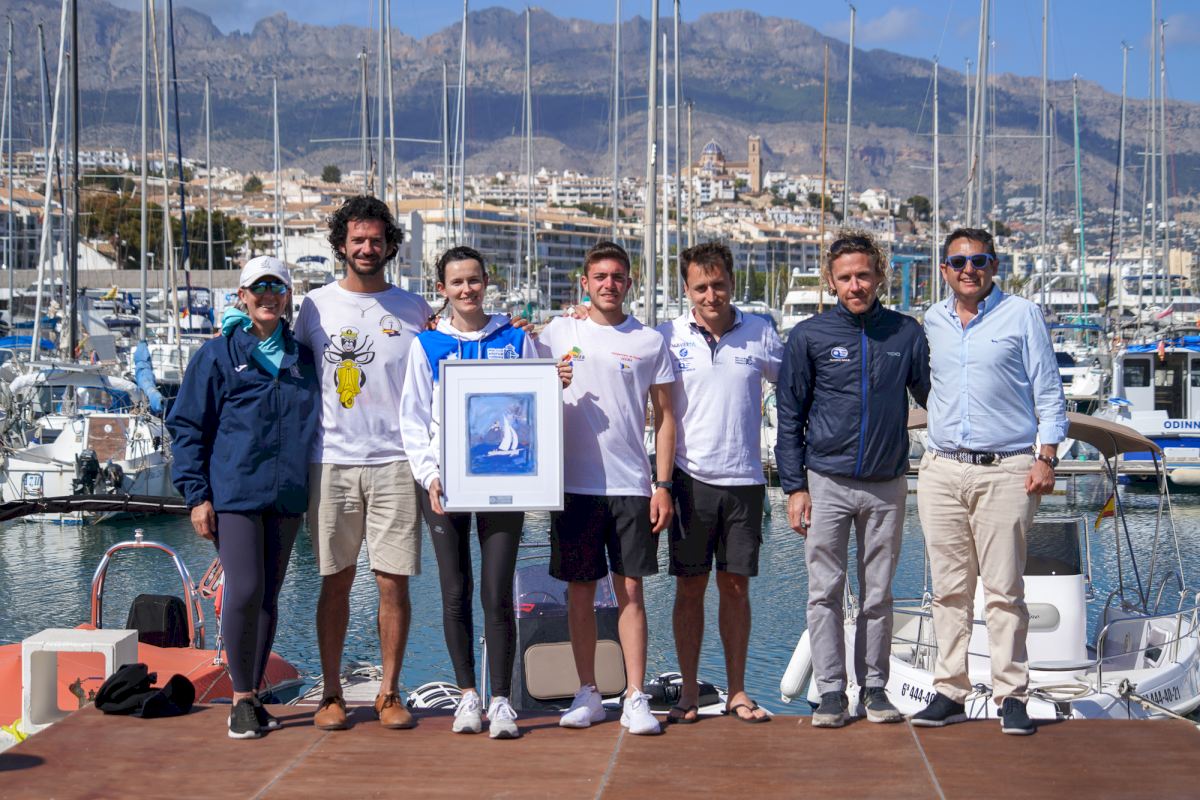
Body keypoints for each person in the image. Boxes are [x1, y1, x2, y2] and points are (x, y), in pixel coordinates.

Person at [400, 246, 571, 740]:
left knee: (496, 593)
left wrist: (555, 382)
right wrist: (429, 475)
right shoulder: (427, 345)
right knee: (454, 591)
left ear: (486, 282)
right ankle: (466, 696)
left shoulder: (515, 337)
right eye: (457, 283)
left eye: (474, 280)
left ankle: (500, 699)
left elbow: (538, 404)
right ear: (442, 289)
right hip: (444, 485)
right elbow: (412, 419)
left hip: (504, 483)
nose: (467, 289)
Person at [911, 227, 1067, 736]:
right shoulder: (933, 320)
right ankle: (949, 691)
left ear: (994, 266)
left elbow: (1049, 392)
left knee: (1003, 590)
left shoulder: (1022, 315)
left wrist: (1046, 457)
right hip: (941, 470)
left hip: (1007, 469)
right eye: (958, 262)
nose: (968, 270)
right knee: (948, 591)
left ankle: (1011, 695)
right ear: (944, 270)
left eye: (978, 261)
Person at [776, 231, 930, 729]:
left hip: (887, 483)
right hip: (826, 480)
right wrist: (795, 487)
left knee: (878, 594)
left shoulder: (905, 334)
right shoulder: (810, 336)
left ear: (879, 276)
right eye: (845, 277)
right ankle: (830, 693)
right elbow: (789, 416)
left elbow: (936, 397)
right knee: (824, 591)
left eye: (863, 275)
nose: (855, 285)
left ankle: (875, 689)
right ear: (831, 281)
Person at [294, 195, 432, 731]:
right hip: (329, 461)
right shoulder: (314, 307)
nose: (367, 248)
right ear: (341, 245)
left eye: (376, 240)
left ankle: (390, 693)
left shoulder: (415, 309)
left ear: (390, 245)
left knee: (393, 583)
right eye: (358, 240)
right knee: (335, 580)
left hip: (397, 462)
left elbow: (453, 361)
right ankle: (331, 693)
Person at [167, 256, 319, 739]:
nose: (268, 296)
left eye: (277, 287)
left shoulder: (303, 359)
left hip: (287, 495)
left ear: (287, 296)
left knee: (269, 596)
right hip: (234, 494)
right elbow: (187, 426)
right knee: (246, 588)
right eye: (259, 288)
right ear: (242, 297)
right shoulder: (217, 355)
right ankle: (240, 698)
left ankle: (253, 697)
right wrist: (196, 496)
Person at [537, 240, 676, 736]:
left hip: (631, 484)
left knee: (630, 591)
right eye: (600, 277)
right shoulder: (557, 332)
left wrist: (663, 484)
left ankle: (635, 696)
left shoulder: (649, 341)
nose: (609, 284)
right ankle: (588, 692)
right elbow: (518, 374)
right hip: (571, 486)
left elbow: (666, 417)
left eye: (617, 277)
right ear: (585, 283)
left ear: (629, 283)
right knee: (579, 592)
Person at [656, 241, 782, 724]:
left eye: (719, 285)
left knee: (735, 589)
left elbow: (797, 387)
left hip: (745, 480)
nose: (711, 295)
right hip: (689, 480)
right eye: (701, 287)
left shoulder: (761, 332)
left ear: (732, 282)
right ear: (687, 290)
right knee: (689, 590)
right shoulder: (668, 336)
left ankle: (738, 691)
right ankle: (689, 692)